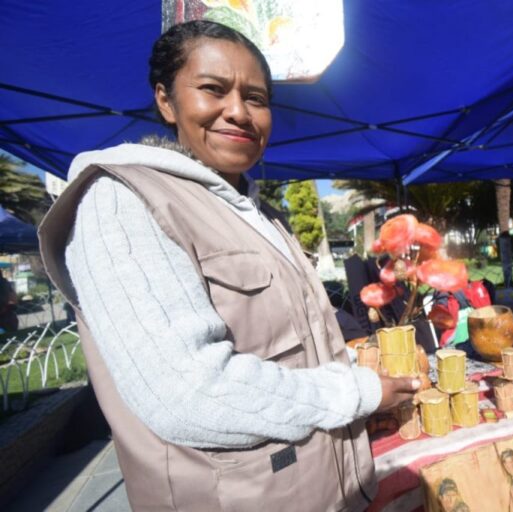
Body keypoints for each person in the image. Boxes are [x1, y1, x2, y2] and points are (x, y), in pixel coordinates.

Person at [38, 20, 420, 511]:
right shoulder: (121, 200)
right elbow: (190, 394)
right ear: (165, 100)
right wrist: (359, 393)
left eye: (256, 98)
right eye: (213, 89)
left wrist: (355, 368)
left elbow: (300, 347)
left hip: (328, 491)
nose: (239, 111)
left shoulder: (264, 216)